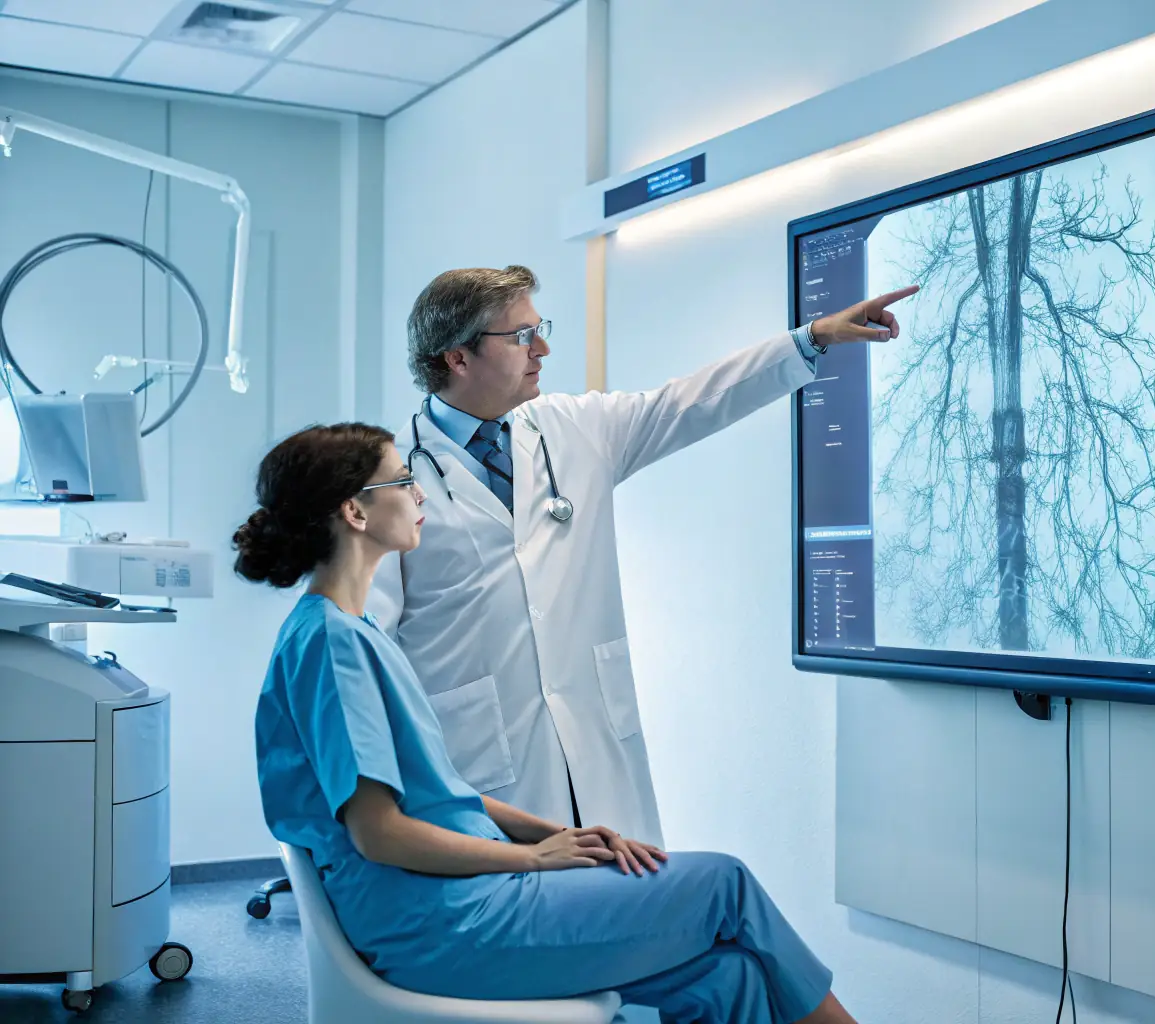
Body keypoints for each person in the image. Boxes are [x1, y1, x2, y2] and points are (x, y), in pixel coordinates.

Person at [236, 423, 863, 1023]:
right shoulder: (330, 645)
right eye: (403, 481)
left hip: (456, 901)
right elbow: (380, 835)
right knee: (724, 882)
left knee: (730, 978)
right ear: (356, 512)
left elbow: (432, 792)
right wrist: (536, 861)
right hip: (443, 921)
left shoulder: (352, 631)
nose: (421, 491)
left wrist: (562, 834)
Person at [369, 265, 918, 846]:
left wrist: (813, 338)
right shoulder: (389, 477)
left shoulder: (575, 428)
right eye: (523, 336)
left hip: (595, 736)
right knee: (525, 917)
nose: (543, 348)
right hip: (479, 762)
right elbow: (368, 635)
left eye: (540, 328)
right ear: (458, 358)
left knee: (623, 906)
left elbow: (693, 401)